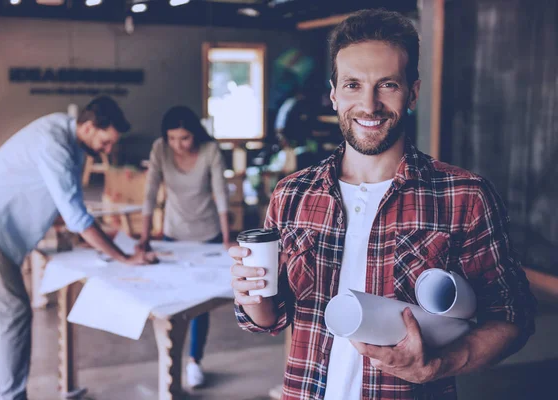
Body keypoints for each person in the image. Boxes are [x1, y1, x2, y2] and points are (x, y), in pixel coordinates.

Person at [228, 9, 536, 400]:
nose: (369, 105)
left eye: (387, 84)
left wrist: (440, 364)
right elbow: (271, 320)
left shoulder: (465, 197)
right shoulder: (292, 194)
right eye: (353, 85)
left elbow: (512, 318)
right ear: (334, 93)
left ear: (413, 91)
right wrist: (251, 295)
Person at [0, 96, 155, 400]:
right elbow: (77, 216)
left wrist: (82, 234)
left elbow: (63, 203)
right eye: (105, 142)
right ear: (89, 127)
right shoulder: (55, 143)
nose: (107, 150)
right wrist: (124, 257)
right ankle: (11, 395)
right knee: (14, 311)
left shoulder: (69, 140)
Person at [137, 105, 230, 388]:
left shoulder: (210, 151)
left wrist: (227, 239)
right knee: (174, 301)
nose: (178, 145)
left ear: (196, 134)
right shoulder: (160, 150)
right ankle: (170, 364)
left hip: (208, 235)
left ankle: (194, 362)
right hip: (173, 235)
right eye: (172, 138)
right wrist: (144, 237)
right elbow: (150, 192)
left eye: (185, 138)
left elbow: (221, 195)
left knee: (200, 305)